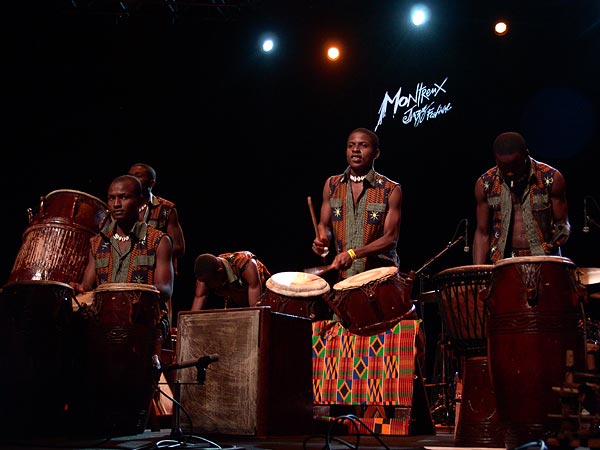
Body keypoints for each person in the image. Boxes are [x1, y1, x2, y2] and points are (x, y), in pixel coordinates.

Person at [71, 174, 174, 339]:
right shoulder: (96, 242)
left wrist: (126, 300)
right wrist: (79, 290)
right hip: (106, 324)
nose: (116, 204)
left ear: (140, 202)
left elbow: (165, 290)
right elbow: (87, 287)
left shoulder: (159, 241)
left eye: (123, 197)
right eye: (111, 198)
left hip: (144, 324)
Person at [311, 127, 403, 281]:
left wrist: (353, 254)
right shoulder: (332, 185)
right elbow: (324, 225)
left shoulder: (390, 189)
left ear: (376, 153)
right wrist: (323, 240)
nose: (355, 150)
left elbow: (391, 238)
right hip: (346, 279)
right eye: (350, 145)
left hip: (380, 278)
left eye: (363, 145)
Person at [473, 131, 571, 264]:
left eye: (515, 166)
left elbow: (563, 223)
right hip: (504, 261)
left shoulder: (551, 177)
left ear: (526, 154)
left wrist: (559, 237)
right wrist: (478, 272)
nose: (510, 172)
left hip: (544, 258)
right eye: (504, 168)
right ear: (496, 160)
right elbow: (482, 232)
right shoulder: (485, 184)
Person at [127, 163, 185, 275]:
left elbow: (178, 247)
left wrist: (143, 253)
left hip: (155, 272)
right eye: (130, 176)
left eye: (138, 176)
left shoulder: (166, 208)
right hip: (125, 272)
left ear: (151, 183)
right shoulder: (121, 206)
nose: (132, 179)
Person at [191, 251, 271, 310]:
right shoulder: (204, 277)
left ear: (220, 272)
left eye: (207, 282)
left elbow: (255, 309)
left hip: (266, 298)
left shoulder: (245, 265)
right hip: (237, 300)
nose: (204, 285)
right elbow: (197, 303)